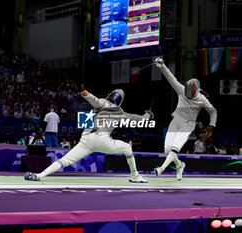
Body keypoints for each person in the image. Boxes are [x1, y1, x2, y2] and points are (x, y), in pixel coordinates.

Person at [24, 89, 153, 183]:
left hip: (86, 139)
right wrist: (147, 116)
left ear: (110, 95)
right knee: (127, 148)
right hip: (103, 140)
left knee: (65, 160)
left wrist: (87, 95)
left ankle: (40, 175)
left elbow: (94, 100)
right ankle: (135, 175)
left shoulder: (103, 103)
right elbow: (137, 119)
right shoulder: (120, 112)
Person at [153, 58, 217, 180]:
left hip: (188, 124)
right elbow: (171, 77)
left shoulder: (202, 99)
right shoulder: (182, 90)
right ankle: (180, 165)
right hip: (176, 120)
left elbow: (213, 111)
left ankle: (161, 169)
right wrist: (162, 66)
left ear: (196, 90)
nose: (188, 92)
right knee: (167, 149)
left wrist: (212, 124)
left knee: (175, 148)